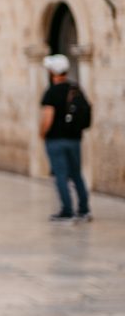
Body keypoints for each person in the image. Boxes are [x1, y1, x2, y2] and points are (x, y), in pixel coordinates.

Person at [40, 54, 92, 223]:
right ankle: (84, 210)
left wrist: (42, 133)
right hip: (74, 139)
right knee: (76, 174)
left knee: (61, 175)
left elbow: (48, 117)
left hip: (56, 140)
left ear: (52, 72)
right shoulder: (75, 88)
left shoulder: (51, 92)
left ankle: (67, 210)